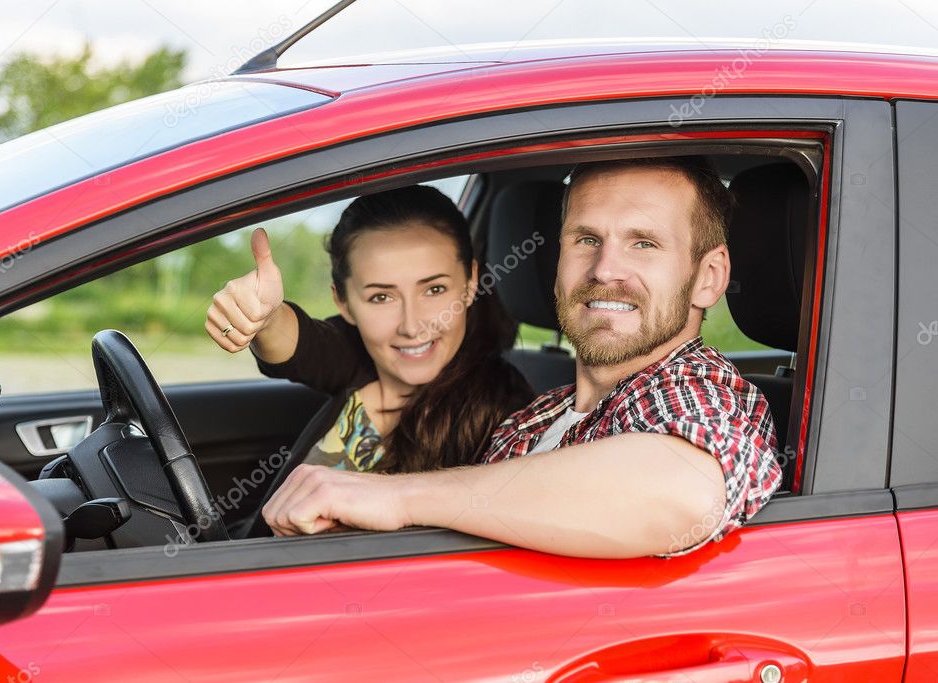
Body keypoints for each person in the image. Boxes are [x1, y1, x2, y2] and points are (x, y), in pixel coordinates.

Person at [257, 156, 784, 559]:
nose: (604, 269)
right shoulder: (532, 419)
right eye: (585, 239)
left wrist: (396, 498)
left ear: (709, 277)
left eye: (643, 243)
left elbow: (682, 490)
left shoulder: (703, 391)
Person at [206, 185, 535, 476]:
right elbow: (300, 342)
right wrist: (264, 317)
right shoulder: (359, 355)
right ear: (344, 302)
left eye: (434, 290)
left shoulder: (510, 411)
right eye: (381, 297)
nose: (411, 326)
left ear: (470, 282)